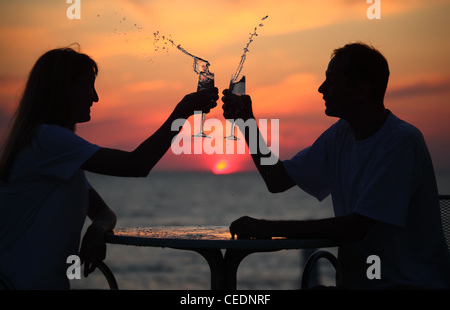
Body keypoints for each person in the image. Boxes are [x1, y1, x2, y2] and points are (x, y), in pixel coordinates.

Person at [222, 42, 450, 289]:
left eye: (331, 81)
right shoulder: (341, 134)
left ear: (362, 89)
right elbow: (277, 180)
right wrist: (246, 122)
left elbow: (355, 227)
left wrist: (266, 228)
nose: (321, 89)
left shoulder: (401, 142)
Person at [0, 47, 218, 289]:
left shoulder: (61, 158)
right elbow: (137, 164)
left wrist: (97, 228)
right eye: (88, 87)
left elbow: (104, 213)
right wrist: (182, 112)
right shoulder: (48, 140)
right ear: (64, 90)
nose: (95, 98)